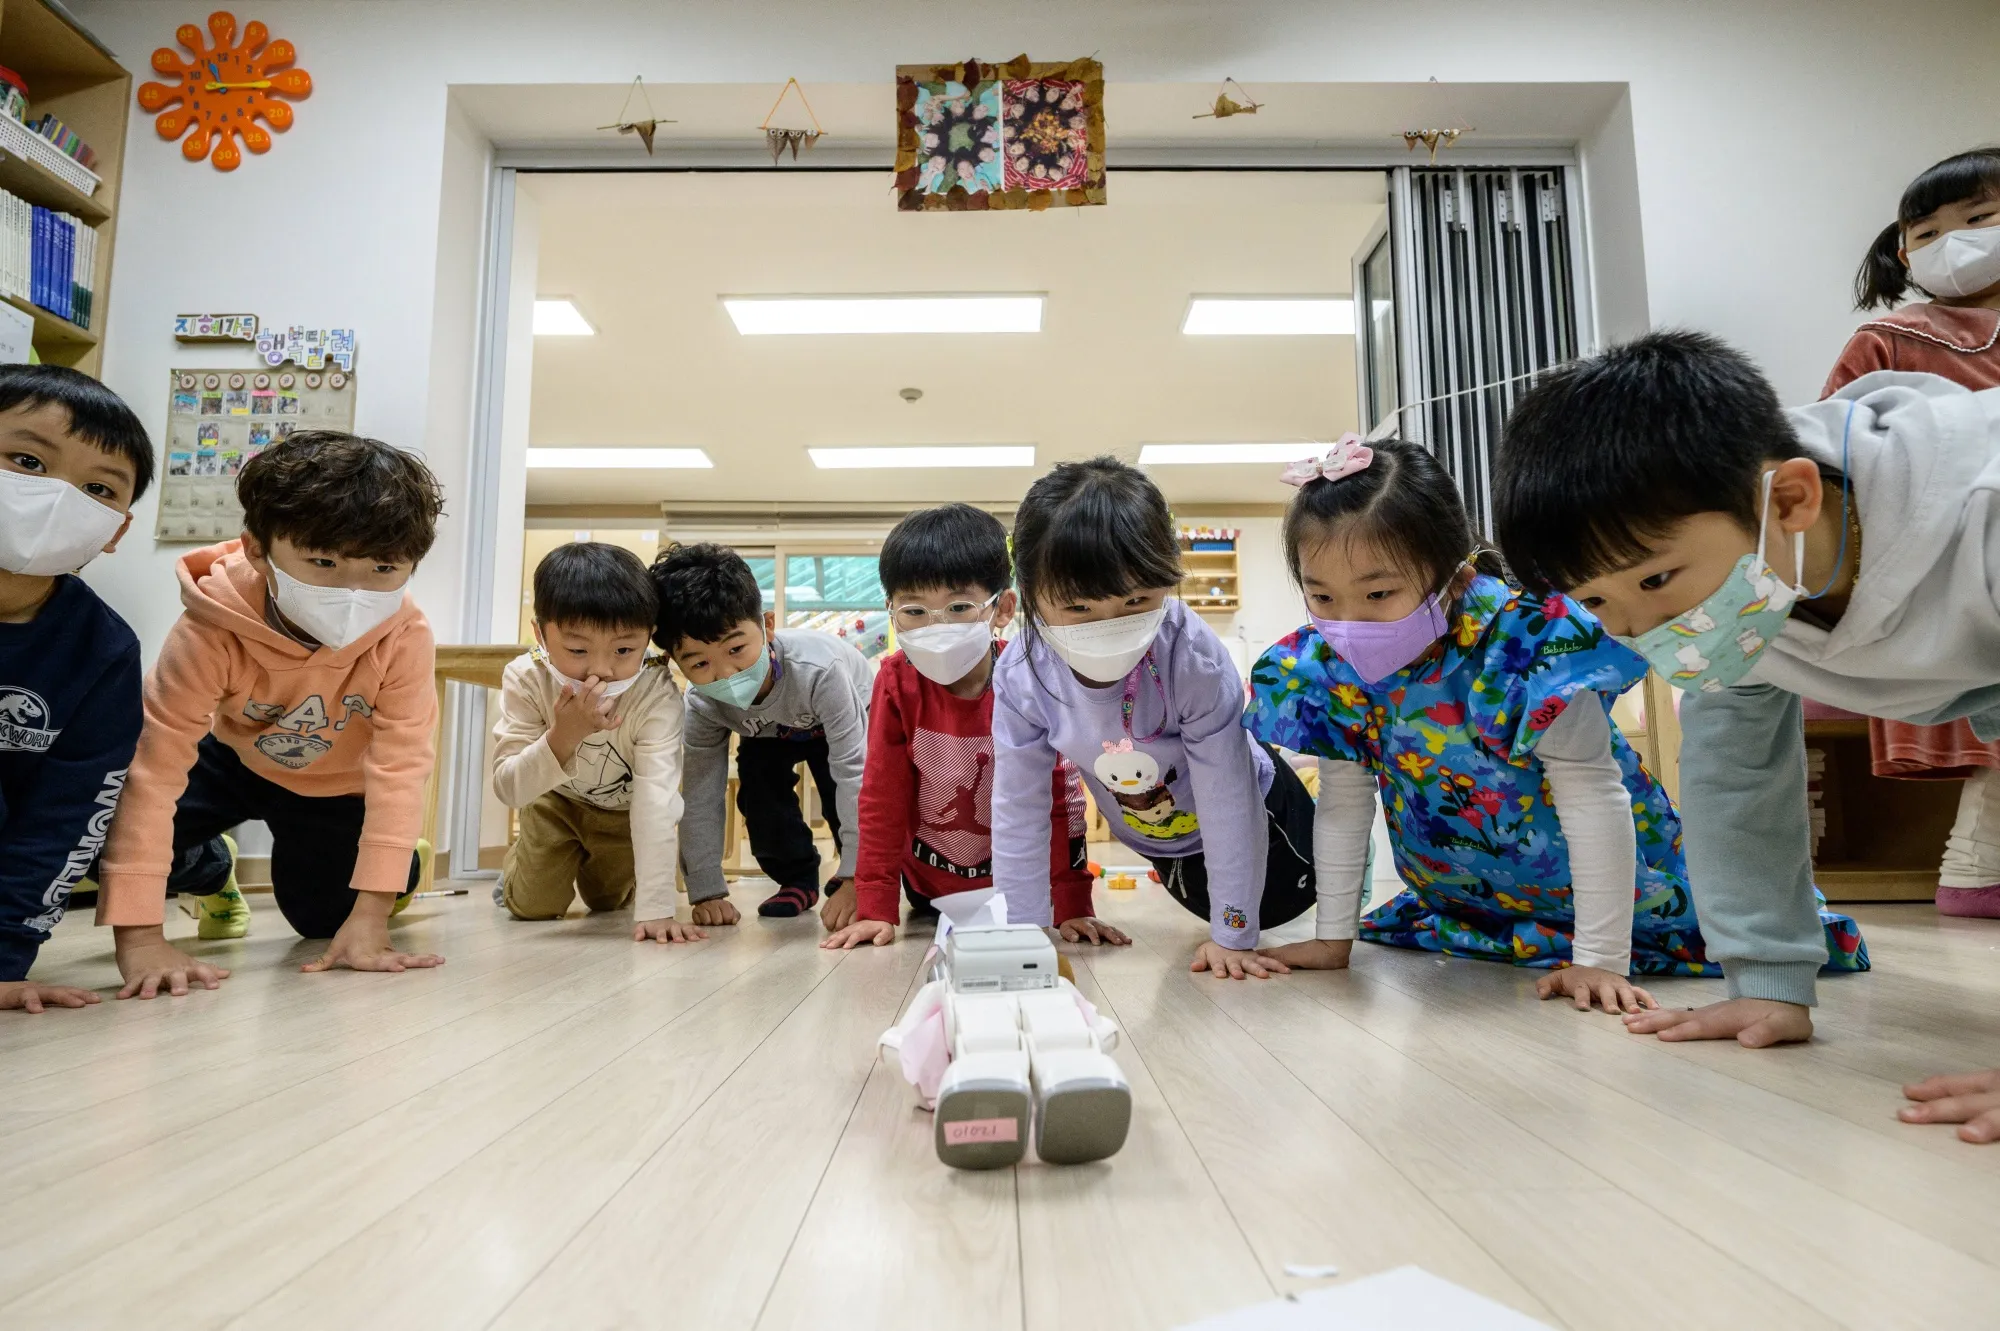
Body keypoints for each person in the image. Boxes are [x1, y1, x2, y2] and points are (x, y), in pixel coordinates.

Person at [1493, 331, 2000, 1064]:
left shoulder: (1983, 509)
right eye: (1595, 601)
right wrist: (1766, 979)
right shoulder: (1745, 590)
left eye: (1656, 579)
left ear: (1790, 499)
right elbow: (1736, 780)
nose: (1639, 629)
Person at [1245, 436, 1866, 1010]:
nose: (1351, 622)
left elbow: (1593, 793)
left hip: (1625, 905)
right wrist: (1333, 939)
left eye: (1379, 594)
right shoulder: (1328, 668)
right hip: (1474, 907)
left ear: (1456, 578)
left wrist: (1600, 960)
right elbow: (1344, 804)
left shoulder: (1527, 646)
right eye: (1322, 597)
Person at [97, 431, 446, 996]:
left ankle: (400, 862)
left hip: (336, 786)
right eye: (324, 562)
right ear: (258, 550)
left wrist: (372, 913)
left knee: (324, 921)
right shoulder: (210, 626)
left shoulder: (405, 637)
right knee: (95, 837)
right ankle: (213, 868)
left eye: (384, 569)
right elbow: (153, 769)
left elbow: (401, 768)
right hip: (235, 759)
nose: (353, 592)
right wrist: (139, 939)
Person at [990, 457, 1311, 979]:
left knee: (1276, 917)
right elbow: (1017, 806)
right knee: (1216, 926)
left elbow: (1228, 795)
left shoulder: (1192, 658)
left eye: (1137, 600)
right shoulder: (1022, 674)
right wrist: (1021, 933)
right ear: (1028, 594)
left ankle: (1349, 854)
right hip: (1163, 841)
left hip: (1267, 821)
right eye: (1078, 609)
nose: (1109, 625)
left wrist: (1234, 934)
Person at [1828, 148, 2000, 918]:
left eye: (1978, 219)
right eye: (1926, 233)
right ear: (1903, 254)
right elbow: (1836, 453)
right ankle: (1974, 865)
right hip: (1944, 560)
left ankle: (1975, 866)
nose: (1951, 242)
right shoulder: (1888, 340)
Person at [822, 504, 1102, 950]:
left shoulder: (1029, 678)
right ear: (891, 610)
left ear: (1003, 608)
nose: (937, 626)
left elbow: (1057, 799)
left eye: (958, 607)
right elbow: (881, 798)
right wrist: (876, 906)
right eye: (914, 610)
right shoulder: (895, 681)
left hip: (1020, 889)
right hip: (928, 890)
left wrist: (1072, 902)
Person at [0, 367, 150, 1013]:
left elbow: (66, 815)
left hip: (38, 809)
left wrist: (4, 960)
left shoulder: (105, 651)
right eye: (28, 461)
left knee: (105, 817)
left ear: (114, 531)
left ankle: (201, 862)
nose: (58, 497)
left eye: (97, 489)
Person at [491, 542, 698, 943]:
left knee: (608, 901)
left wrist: (656, 910)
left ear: (649, 638)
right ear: (540, 634)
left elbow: (657, 801)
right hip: (554, 802)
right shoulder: (526, 677)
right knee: (532, 907)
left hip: (623, 812)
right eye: (577, 649)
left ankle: (598, 870)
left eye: (624, 649)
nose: (601, 670)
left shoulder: (657, 692)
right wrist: (564, 735)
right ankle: (521, 867)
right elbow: (509, 788)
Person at [652, 543, 867, 921]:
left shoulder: (820, 671)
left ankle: (853, 872)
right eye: (699, 663)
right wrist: (705, 890)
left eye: (736, 649)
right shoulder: (702, 702)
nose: (726, 674)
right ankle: (796, 878)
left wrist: (856, 876)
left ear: (767, 626)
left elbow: (855, 772)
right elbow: (701, 792)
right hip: (768, 730)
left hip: (841, 711)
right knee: (758, 790)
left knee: (838, 788)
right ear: (675, 661)